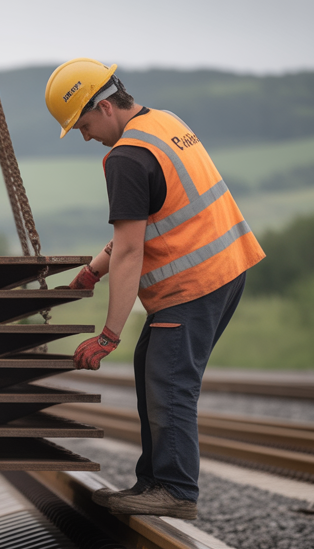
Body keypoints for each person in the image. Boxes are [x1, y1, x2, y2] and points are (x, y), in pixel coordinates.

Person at [44, 58, 266, 520]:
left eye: (83, 125)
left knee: (169, 381)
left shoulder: (126, 158)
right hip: (228, 268)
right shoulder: (165, 123)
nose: (85, 137)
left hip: (193, 283)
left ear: (104, 106)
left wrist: (108, 335)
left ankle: (176, 490)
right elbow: (142, 228)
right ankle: (153, 481)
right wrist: (91, 272)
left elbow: (129, 251)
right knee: (153, 366)